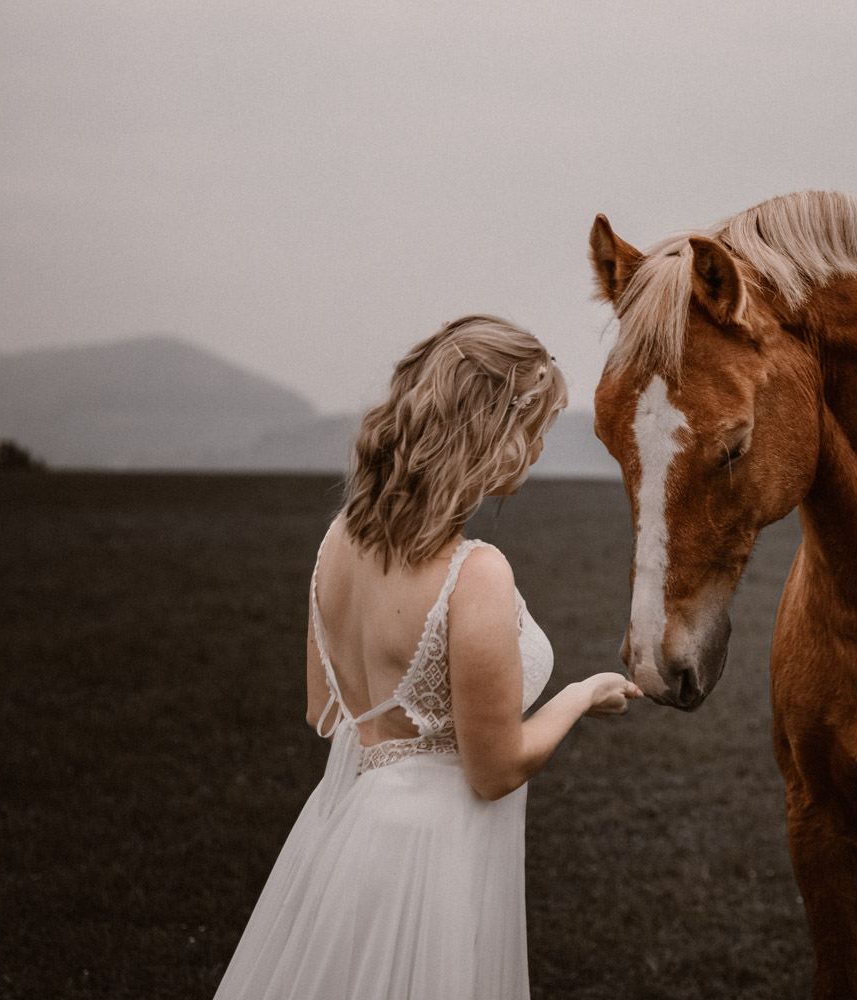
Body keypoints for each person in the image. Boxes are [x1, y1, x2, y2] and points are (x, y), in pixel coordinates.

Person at [214, 315, 642, 999]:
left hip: (349, 838)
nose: (534, 452)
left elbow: (323, 709)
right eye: (531, 430)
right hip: (436, 856)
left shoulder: (337, 542)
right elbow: (494, 771)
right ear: (488, 432)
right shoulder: (476, 572)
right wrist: (584, 693)